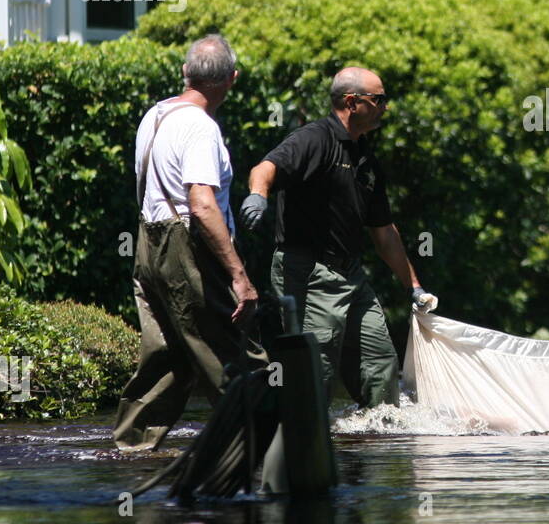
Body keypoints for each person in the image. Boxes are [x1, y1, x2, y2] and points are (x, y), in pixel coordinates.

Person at [239, 66, 436, 408]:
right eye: (379, 99)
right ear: (351, 102)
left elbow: (385, 232)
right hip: (309, 274)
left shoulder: (365, 158)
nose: (385, 107)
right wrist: (258, 195)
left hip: (351, 276)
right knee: (317, 370)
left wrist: (414, 287)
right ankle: (304, 443)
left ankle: (376, 442)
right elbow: (265, 168)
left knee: (380, 364)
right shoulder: (314, 139)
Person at [113, 35, 267, 452]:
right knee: (236, 354)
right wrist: (238, 274)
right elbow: (201, 204)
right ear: (231, 80)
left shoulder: (156, 115)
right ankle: (261, 452)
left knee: (167, 359)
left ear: (186, 73)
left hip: (149, 245)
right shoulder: (201, 128)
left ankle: (130, 450)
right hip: (188, 251)